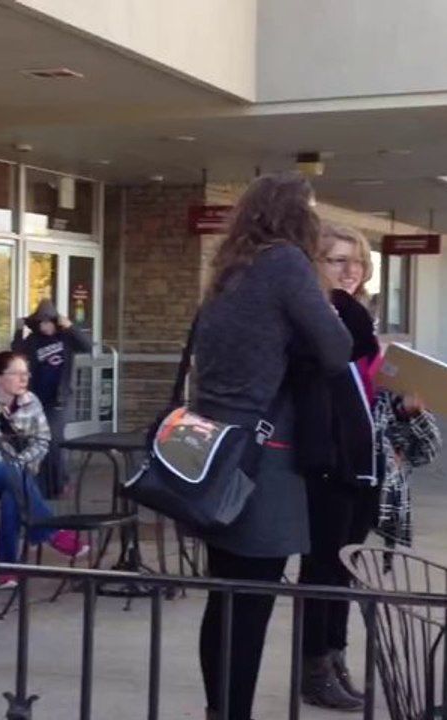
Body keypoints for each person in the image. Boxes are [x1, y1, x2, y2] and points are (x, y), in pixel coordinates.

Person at [193, 173, 352, 720]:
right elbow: (336, 348)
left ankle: (221, 708)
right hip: (264, 454)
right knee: (253, 599)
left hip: (214, 447)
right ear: (294, 216)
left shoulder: (229, 269)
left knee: (225, 596)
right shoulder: (285, 262)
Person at [294, 223, 442, 711]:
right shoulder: (313, 319)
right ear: (315, 264)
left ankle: (335, 659)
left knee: (345, 570)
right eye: (338, 260)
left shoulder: (358, 322)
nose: (351, 271)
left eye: (358, 262)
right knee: (322, 570)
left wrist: (403, 411)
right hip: (326, 463)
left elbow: (366, 403)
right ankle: (314, 667)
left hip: (363, 463)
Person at [0, 351, 89, 589]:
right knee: (12, 475)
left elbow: (42, 441)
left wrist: (18, 462)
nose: (24, 379)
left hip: (17, 475)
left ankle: (7, 569)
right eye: (17, 374)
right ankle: (51, 533)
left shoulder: (31, 401)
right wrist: (4, 459)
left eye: (26, 373)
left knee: (15, 491)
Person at [11, 299, 93, 498]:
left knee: (54, 439)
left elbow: (87, 346)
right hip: (38, 398)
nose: (45, 326)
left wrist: (70, 327)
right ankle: (46, 486)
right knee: (40, 440)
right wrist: (18, 330)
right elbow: (16, 352)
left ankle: (60, 483)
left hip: (60, 399)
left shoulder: (66, 338)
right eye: (41, 322)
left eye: (48, 322)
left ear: (56, 322)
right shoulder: (33, 341)